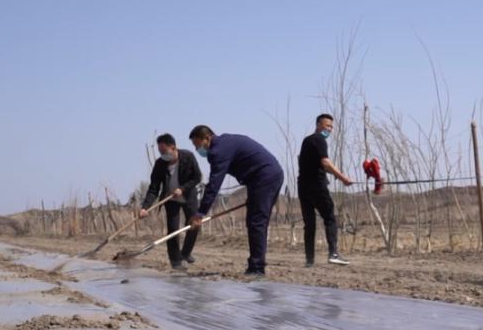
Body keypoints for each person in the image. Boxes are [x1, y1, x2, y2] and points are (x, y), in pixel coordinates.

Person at [189, 125, 284, 277]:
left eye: (197, 145)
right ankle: (257, 263)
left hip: (265, 177)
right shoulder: (225, 142)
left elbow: (214, 184)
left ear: (207, 138)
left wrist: (200, 213)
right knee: (257, 221)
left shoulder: (218, 151)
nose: (197, 149)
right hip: (265, 176)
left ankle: (257, 268)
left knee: (256, 222)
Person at [140, 134, 203, 270]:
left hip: (188, 197)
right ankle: (175, 261)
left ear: (173, 147)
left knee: (194, 225)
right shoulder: (159, 164)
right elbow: (154, 188)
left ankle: (185, 253)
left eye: (164, 151)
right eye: (160, 152)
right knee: (173, 229)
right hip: (170, 200)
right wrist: (145, 207)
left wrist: (183, 189)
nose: (162, 154)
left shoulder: (188, 157)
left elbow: (197, 177)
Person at [298, 114, 353, 267]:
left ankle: (309, 260)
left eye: (331, 127)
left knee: (309, 224)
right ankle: (333, 254)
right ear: (318, 125)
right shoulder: (319, 140)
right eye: (327, 126)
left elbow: (315, 165)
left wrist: (332, 174)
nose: (329, 129)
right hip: (317, 186)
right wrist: (342, 177)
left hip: (303, 187)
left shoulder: (307, 141)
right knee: (329, 218)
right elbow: (325, 162)